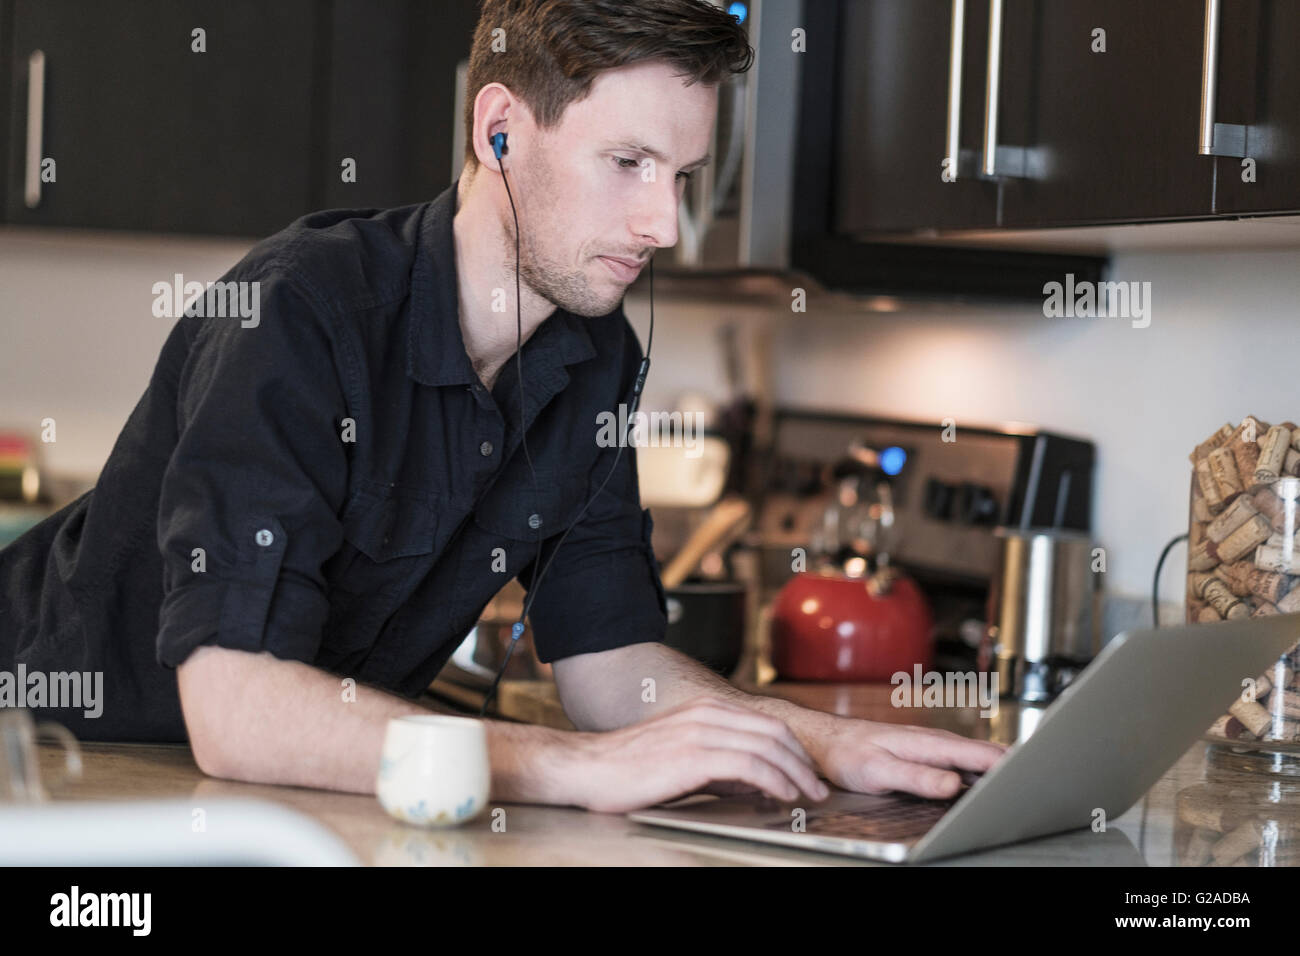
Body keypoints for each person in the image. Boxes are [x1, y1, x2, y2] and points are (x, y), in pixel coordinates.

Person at [0, 0, 1005, 813]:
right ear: (499, 129)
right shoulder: (301, 309)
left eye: (684, 176)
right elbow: (237, 713)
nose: (665, 222)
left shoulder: (592, 355)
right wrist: (576, 767)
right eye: (628, 164)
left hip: (250, 797)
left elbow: (608, 659)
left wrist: (817, 741)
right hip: (53, 770)